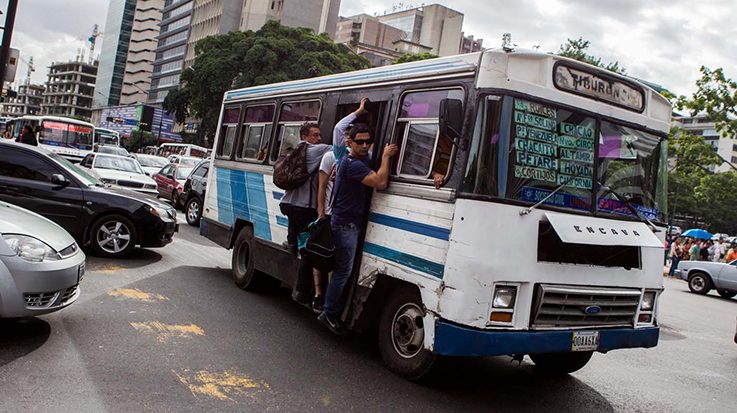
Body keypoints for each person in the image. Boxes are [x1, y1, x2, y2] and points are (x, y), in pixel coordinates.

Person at [317, 123, 398, 334]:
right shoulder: (352, 164)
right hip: (345, 224)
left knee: (343, 269)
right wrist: (387, 157)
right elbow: (380, 182)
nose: (364, 145)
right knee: (343, 271)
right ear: (349, 142)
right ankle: (329, 313)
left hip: (350, 222)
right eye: (359, 141)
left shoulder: (361, 160)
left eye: (368, 142)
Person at [279, 122, 337, 309]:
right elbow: (339, 146)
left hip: (289, 204)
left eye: (319, 135)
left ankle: (292, 245)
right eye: (315, 135)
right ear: (305, 137)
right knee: (308, 251)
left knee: (297, 243)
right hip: (303, 208)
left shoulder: (296, 150)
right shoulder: (315, 151)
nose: (319, 138)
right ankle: (302, 292)